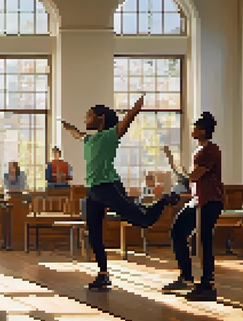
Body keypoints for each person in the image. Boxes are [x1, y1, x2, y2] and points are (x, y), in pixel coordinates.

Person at [61, 96, 180, 290]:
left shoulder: (110, 135)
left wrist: (135, 109)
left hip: (109, 186)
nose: (86, 118)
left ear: (100, 118)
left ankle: (164, 200)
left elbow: (127, 120)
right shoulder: (88, 139)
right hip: (93, 191)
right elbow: (78, 134)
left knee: (142, 220)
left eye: (89, 115)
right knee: (94, 234)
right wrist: (69, 128)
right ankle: (103, 274)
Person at [162, 112, 224, 301]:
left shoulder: (210, 150)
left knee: (204, 241)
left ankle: (208, 285)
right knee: (178, 231)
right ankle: (187, 278)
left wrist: (174, 164)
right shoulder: (199, 150)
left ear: (204, 131)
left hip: (210, 200)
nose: (193, 131)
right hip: (198, 200)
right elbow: (191, 177)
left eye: (196, 128)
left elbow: (193, 176)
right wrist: (174, 164)